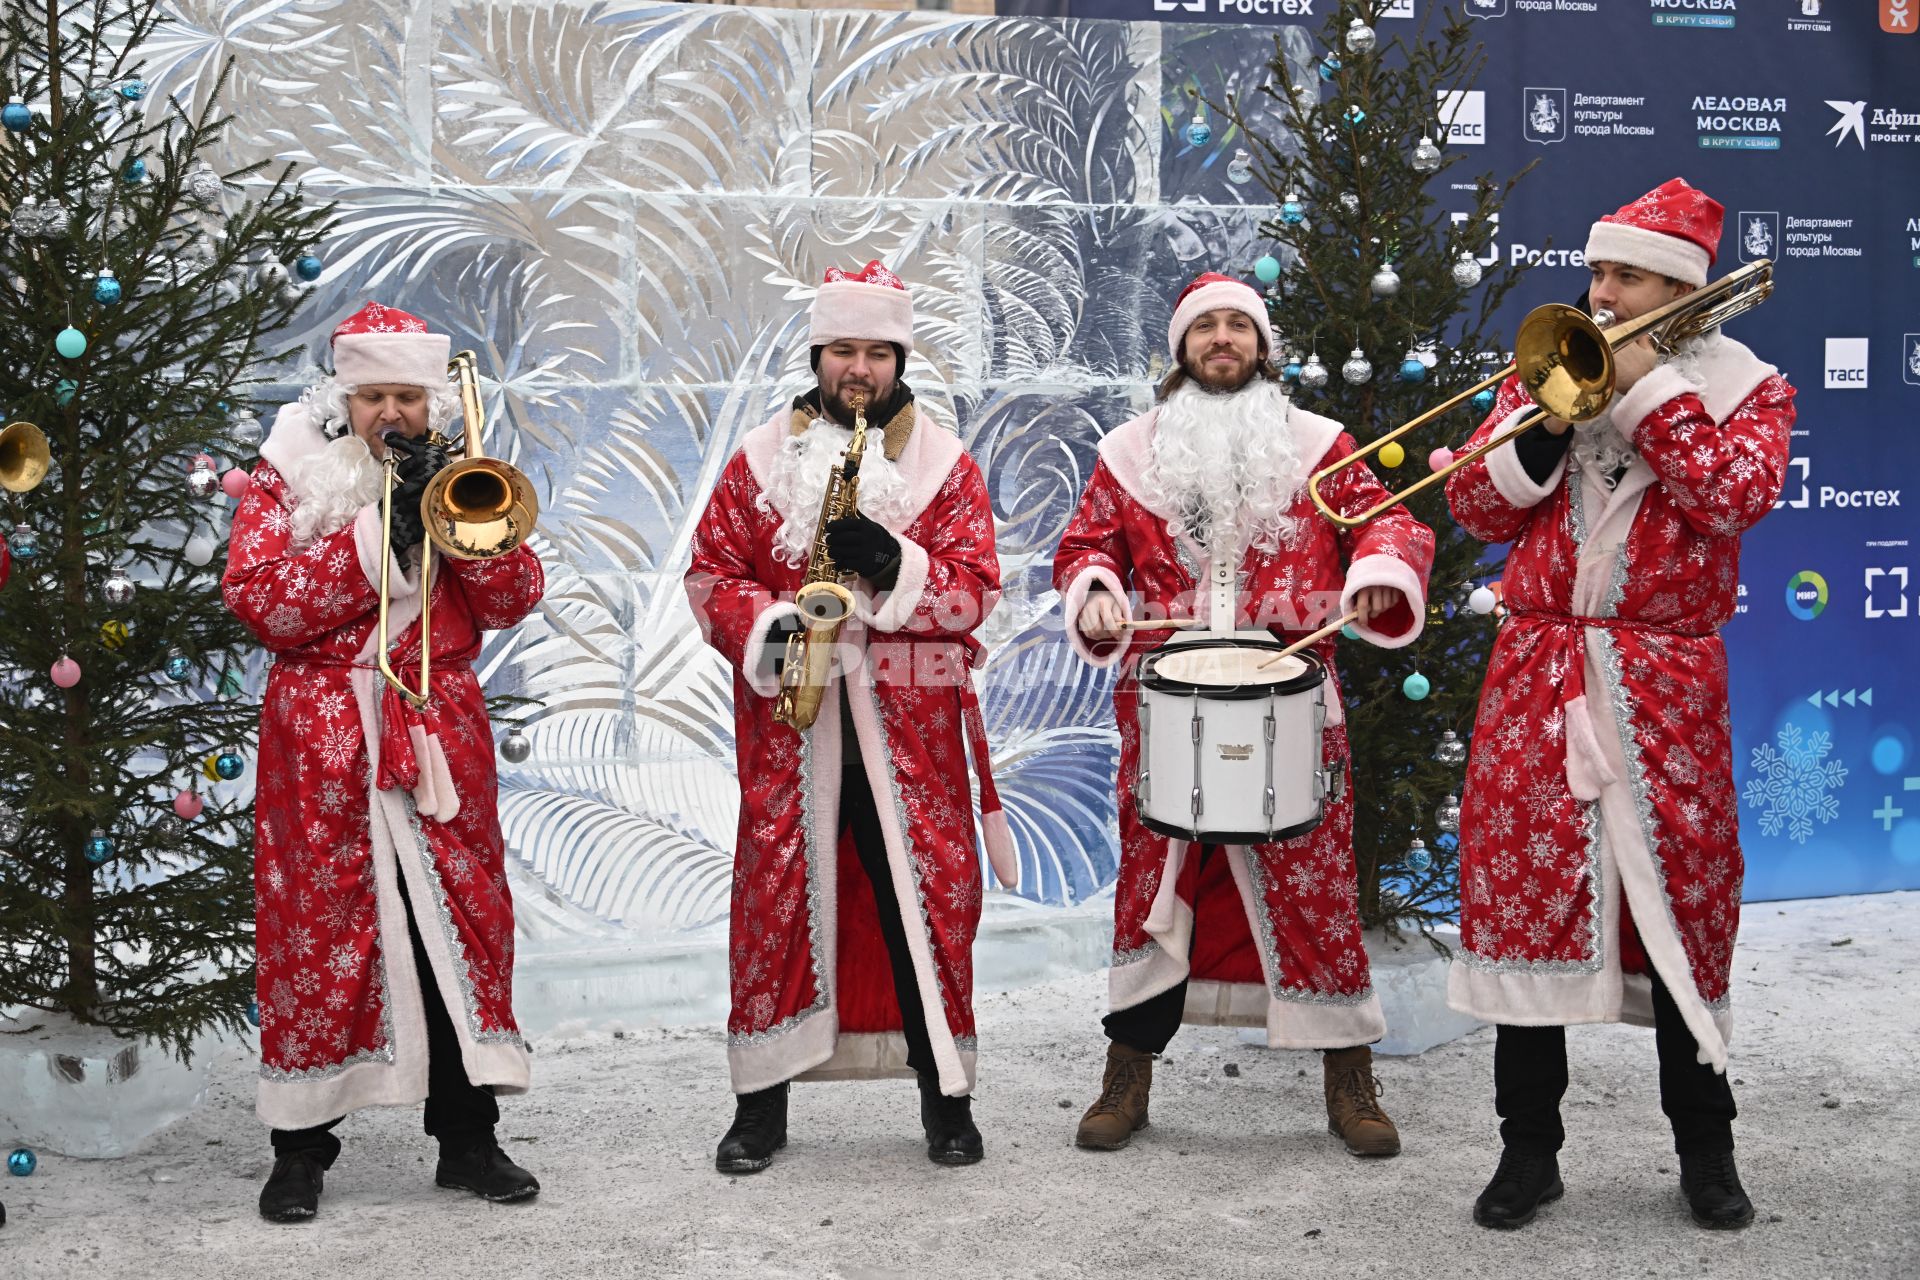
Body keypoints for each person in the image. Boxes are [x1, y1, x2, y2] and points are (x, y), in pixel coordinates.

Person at [1444, 178, 1795, 1231]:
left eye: (1624, 273)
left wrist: (1645, 390)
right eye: (1597, 271)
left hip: (1664, 680)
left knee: (1683, 910)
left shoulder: (1748, 386)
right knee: (1523, 899)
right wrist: (1544, 431)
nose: (1599, 291)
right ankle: (1527, 1151)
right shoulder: (1546, 367)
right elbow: (1470, 504)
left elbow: (1736, 496)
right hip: (1539, 671)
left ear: (1679, 285)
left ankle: (1705, 1149)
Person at [1052, 271, 1434, 1157]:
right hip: (1166, 706)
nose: (1221, 340)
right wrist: (1098, 593)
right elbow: (1084, 547)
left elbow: (1392, 526)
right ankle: (1128, 1073)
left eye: (1238, 326)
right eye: (1204, 328)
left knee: (1316, 889)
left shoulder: (1321, 445)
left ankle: (1350, 1078)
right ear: (1181, 349)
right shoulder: (1128, 453)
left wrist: (1377, 576)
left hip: (1292, 698)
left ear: (1263, 347)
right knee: (1154, 889)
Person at [684, 261, 1016, 1173]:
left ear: (899, 359)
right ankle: (761, 1105)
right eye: (842, 350)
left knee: (926, 908)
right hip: (794, 722)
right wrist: (778, 629)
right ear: (818, 355)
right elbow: (710, 576)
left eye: (877, 351)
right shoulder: (756, 460)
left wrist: (894, 562)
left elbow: (974, 596)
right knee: (774, 903)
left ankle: (945, 1096)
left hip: (911, 730)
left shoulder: (947, 465)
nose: (858, 368)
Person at [223, 301, 545, 1221]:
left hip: (438, 722)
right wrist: (379, 538)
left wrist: (453, 520)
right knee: (317, 933)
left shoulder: (463, 469)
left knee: (460, 922)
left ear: (431, 400)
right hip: (321, 735)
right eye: (374, 398)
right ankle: (300, 1148)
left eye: (408, 396)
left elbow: (517, 596)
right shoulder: (287, 477)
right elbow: (258, 603)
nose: (392, 415)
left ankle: (469, 1136)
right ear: (343, 397)